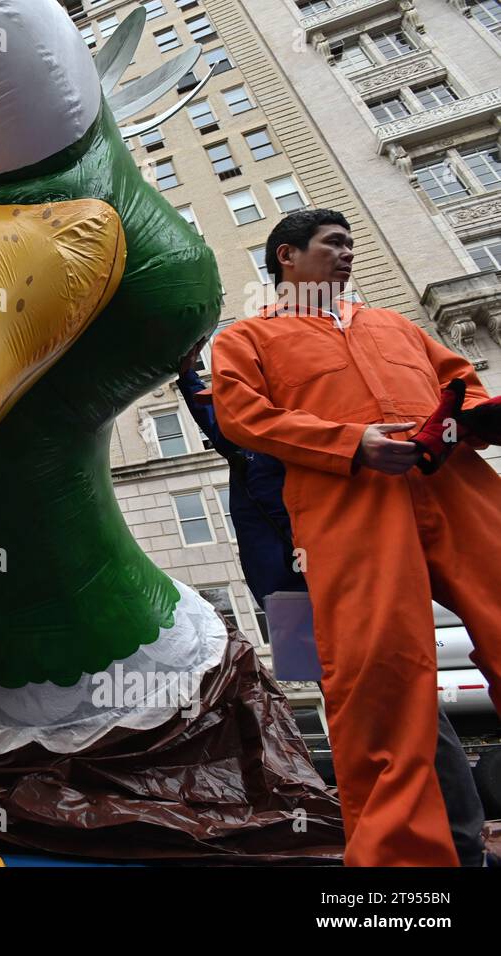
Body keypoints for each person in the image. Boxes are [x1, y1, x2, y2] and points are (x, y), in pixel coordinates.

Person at [210, 208, 501, 866]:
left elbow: (463, 388)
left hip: (458, 487)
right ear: (287, 255)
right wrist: (350, 444)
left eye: (350, 243)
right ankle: (405, 872)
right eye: (333, 244)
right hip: (348, 504)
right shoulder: (246, 339)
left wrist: (481, 419)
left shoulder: (396, 325)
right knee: (380, 681)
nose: (348, 254)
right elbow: (240, 416)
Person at [176, 344, 485, 867]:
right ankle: (400, 836)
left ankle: (457, 842)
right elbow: (216, 409)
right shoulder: (251, 435)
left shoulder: (324, 433)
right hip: (286, 595)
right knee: (346, 702)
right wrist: (186, 370)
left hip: (338, 576)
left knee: (403, 701)